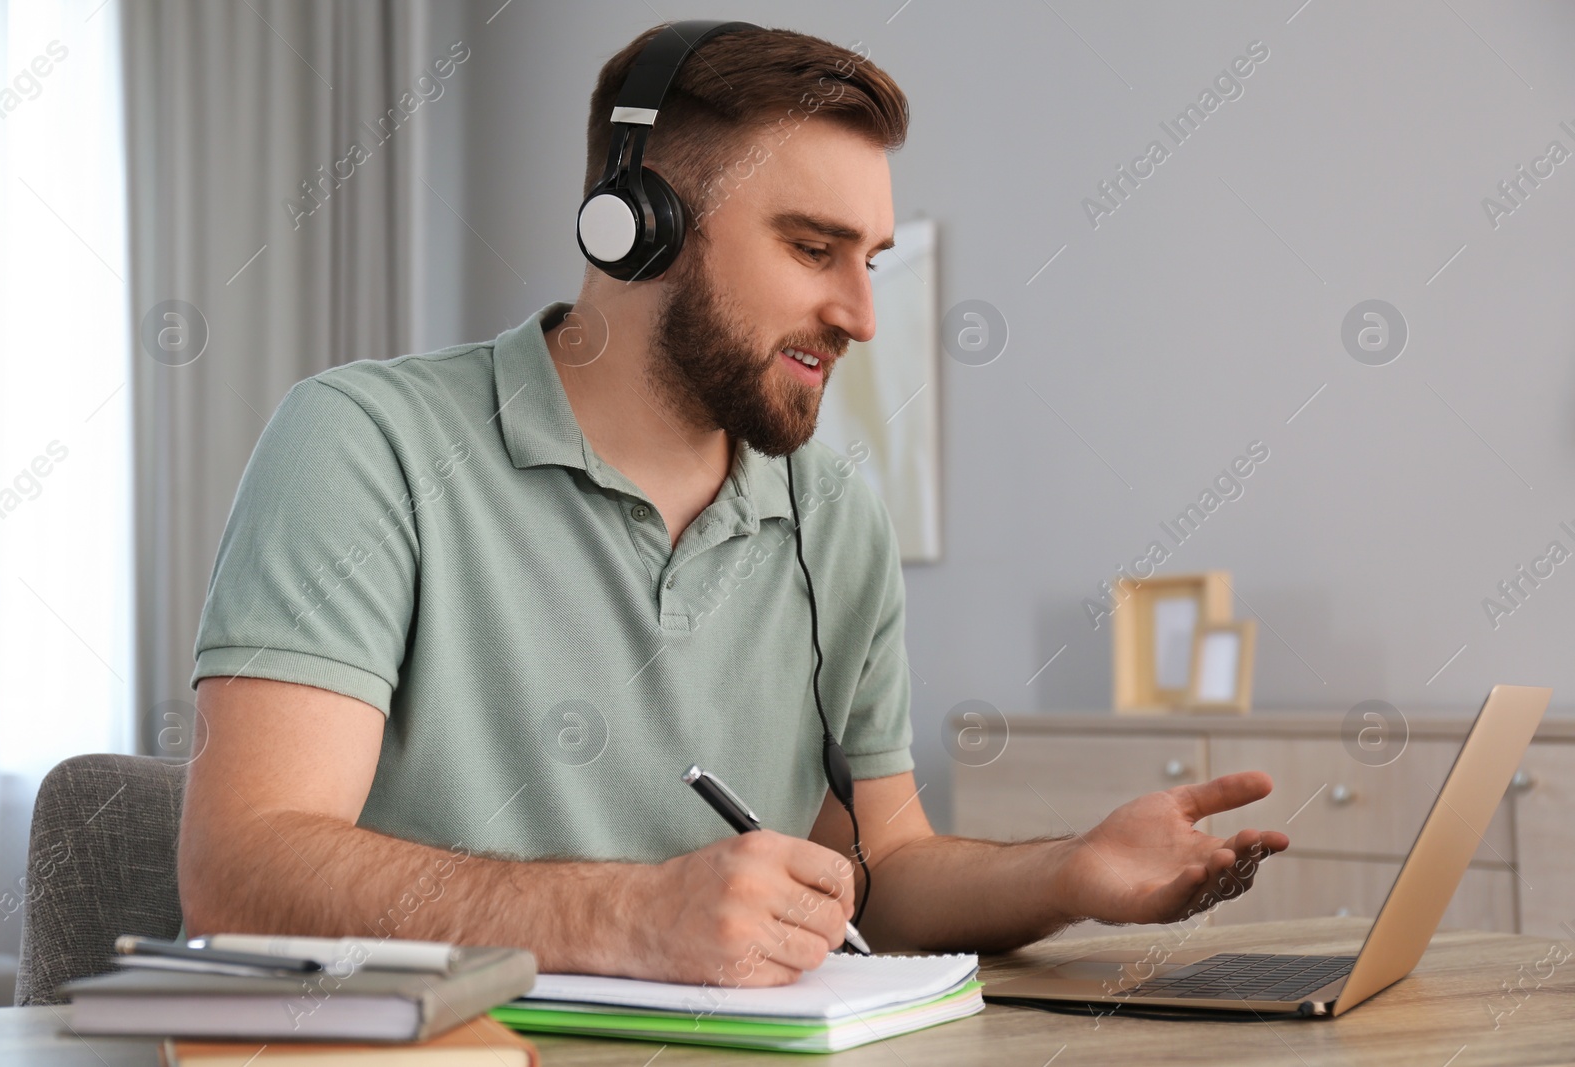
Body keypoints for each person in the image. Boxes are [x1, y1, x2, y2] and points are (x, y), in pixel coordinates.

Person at [180, 21, 1288, 988]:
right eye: (813, 247)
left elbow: (883, 874)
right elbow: (243, 867)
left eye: (872, 261)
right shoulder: (363, 442)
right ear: (636, 225)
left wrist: (1071, 871)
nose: (859, 312)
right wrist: (627, 912)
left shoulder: (833, 518)